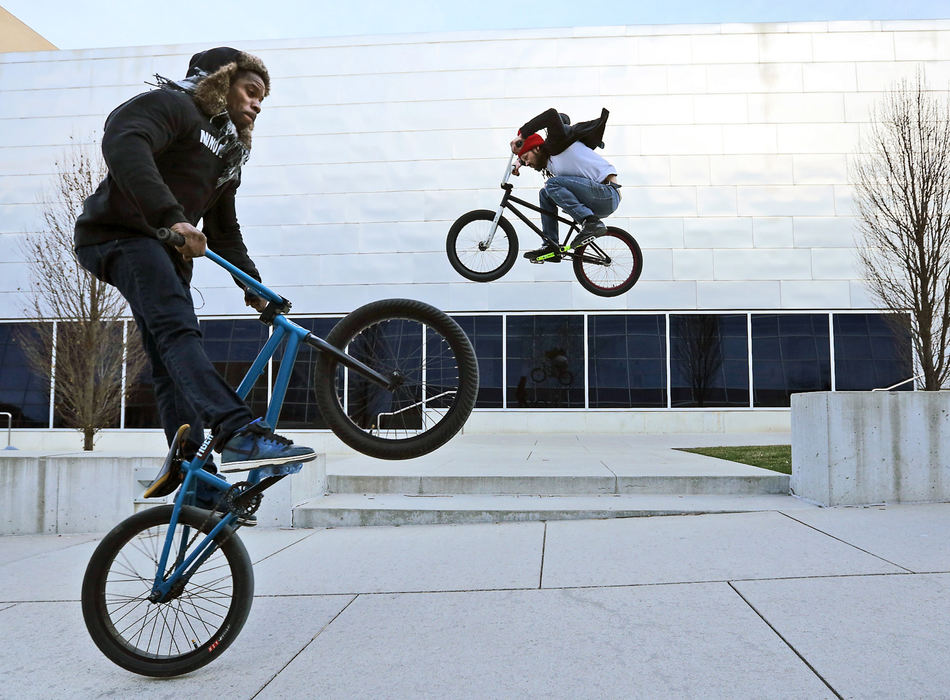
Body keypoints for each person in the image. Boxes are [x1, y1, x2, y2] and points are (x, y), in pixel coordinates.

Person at [73, 47, 315, 511]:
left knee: (169, 360)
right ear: (221, 81)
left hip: (163, 251)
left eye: (263, 99)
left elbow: (224, 232)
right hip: (121, 236)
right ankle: (237, 432)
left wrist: (256, 288)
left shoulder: (227, 154)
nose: (258, 105)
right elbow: (124, 141)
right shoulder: (173, 106)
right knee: (178, 331)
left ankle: (194, 474)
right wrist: (170, 216)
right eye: (251, 91)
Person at [509, 107, 621, 262]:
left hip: (607, 193)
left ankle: (591, 223)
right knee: (545, 193)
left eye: (527, 158)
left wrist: (522, 135)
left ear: (536, 148)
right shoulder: (548, 160)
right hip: (595, 197)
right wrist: (518, 162)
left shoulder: (556, 143)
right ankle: (551, 245)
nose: (528, 163)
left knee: (552, 184)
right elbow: (529, 154)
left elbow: (551, 115)